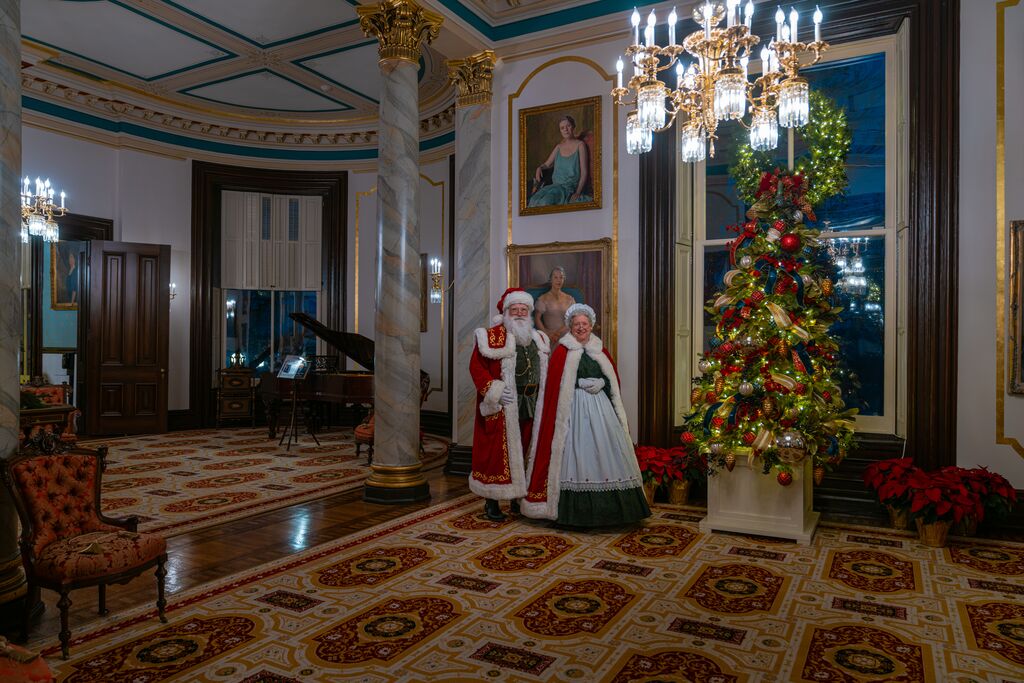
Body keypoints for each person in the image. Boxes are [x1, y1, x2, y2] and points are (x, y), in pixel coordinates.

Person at [521, 303, 650, 527]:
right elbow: (554, 387)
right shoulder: (562, 351)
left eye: (585, 324)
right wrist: (577, 383)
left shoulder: (600, 350)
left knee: (606, 451)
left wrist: (602, 382)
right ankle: (571, 511)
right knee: (576, 453)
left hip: (601, 411)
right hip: (573, 411)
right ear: (570, 326)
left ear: (591, 326)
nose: (581, 328)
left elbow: (613, 382)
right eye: (576, 324)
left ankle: (615, 511)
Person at [469, 288, 550, 521]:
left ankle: (518, 499)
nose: (519, 314)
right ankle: (492, 501)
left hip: (532, 403)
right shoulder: (489, 336)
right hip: (504, 404)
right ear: (505, 312)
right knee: (497, 455)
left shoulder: (539, 338)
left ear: (530, 313)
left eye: (523, 310)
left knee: (526, 451)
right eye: (514, 310)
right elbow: (476, 368)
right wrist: (493, 390)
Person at [527, 115, 592, 207]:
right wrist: (540, 167)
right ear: (560, 131)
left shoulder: (580, 145)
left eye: (568, 126)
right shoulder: (559, 147)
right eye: (562, 128)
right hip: (555, 187)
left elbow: (584, 172)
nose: (565, 129)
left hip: (568, 188)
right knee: (533, 200)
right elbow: (547, 164)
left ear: (573, 126)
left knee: (545, 202)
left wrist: (577, 192)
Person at [533, 266, 576, 345]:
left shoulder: (570, 299)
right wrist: (547, 334)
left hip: (567, 336)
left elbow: (573, 319)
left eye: (561, 277)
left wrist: (558, 333)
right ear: (551, 279)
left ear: (564, 279)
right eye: (555, 277)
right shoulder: (543, 299)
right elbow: (537, 319)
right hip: (549, 337)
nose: (558, 280)